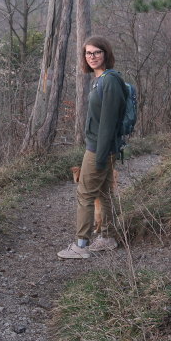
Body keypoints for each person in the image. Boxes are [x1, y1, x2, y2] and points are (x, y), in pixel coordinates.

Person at [57, 36, 126, 259]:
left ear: (106, 53)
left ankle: (81, 245)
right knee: (104, 192)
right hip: (102, 147)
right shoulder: (100, 80)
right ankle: (106, 237)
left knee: (85, 194)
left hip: (99, 148)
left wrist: (100, 155)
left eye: (97, 52)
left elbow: (108, 122)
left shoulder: (109, 80)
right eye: (88, 53)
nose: (92, 57)